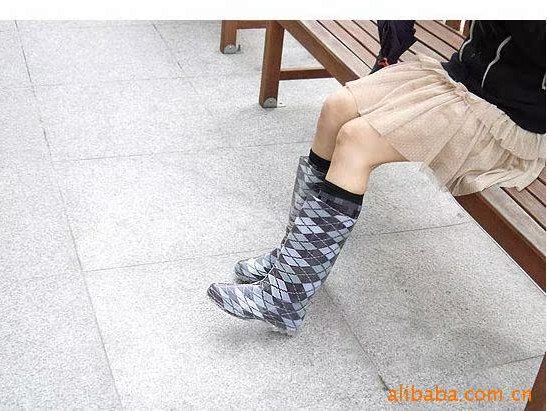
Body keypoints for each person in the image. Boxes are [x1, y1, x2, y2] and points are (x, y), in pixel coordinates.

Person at [206, 20, 546, 334]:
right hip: (460, 78)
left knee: (357, 141)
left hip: (508, 116)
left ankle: (286, 298)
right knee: (336, 107)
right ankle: (294, 261)